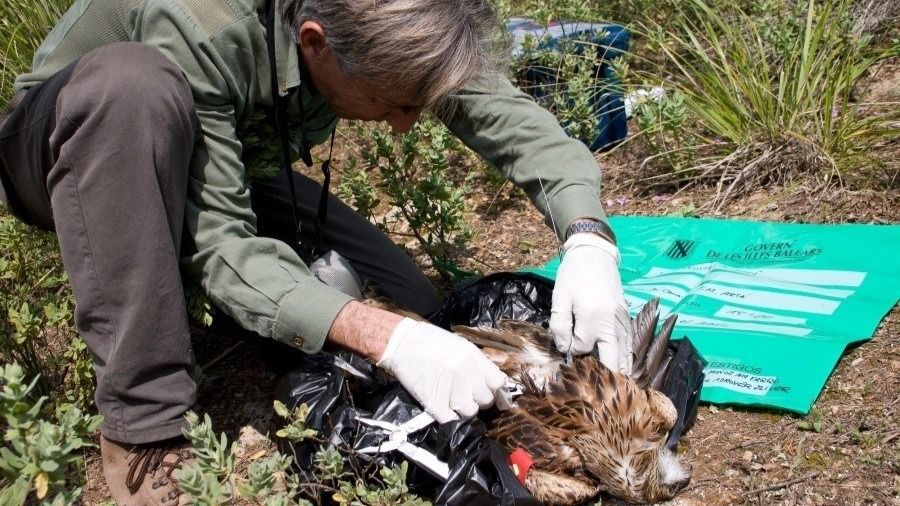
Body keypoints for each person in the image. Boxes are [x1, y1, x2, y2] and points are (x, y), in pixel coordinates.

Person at [0, 0, 629, 503]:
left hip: (229, 154)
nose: (405, 123)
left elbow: (513, 122)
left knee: (408, 301)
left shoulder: (402, 17)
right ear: (315, 43)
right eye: (394, 102)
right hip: (82, 142)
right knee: (132, 87)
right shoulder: (201, 20)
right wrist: (382, 336)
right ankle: (143, 426)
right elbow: (222, 243)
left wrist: (588, 238)